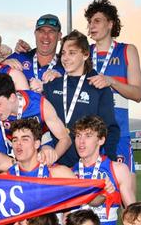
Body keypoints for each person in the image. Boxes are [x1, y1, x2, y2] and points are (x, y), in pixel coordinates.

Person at [85, 0, 141, 188]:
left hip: (119, 134)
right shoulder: (83, 54)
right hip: (89, 137)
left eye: (97, 21)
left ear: (110, 24)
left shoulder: (127, 51)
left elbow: (138, 94)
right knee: (88, 199)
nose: (91, 26)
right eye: (89, 22)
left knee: (128, 202)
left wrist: (111, 81)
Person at [43, 30, 120, 167]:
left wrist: (107, 163)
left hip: (88, 166)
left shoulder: (98, 87)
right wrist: (45, 148)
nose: (66, 58)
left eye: (72, 53)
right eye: (63, 53)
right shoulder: (51, 85)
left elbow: (109, 129)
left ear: (85, 54)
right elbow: (42, 125)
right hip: (56, 164)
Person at [0, 72, 70, 161]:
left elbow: (65, 139)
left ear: (12, 97)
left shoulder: (39, 104)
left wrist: (53, 157)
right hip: (11, 150)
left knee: (46, 153)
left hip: (39, 149)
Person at [71, 115, 135, 225]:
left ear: (101, 140)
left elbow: (133, 213)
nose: (81, 141)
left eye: (88, 136)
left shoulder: (118, 169)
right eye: (78, 136)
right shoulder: (68, 173)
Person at [4, 13, 65, 92]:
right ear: (35, 33)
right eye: (41, 31)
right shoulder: (19, 57)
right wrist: (2, 63)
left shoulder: (66, 67)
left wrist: (59, 82)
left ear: (59, 36)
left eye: (51, 32)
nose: (45, 36)